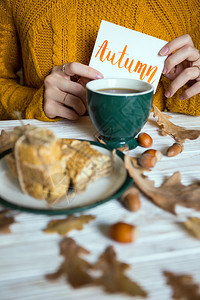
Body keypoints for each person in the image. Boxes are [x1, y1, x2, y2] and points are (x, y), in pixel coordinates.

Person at [0, 0, 200, 121]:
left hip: (159, 157)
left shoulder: (187, 6)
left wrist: (190, 86)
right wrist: (33, 103)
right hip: (49, 156)